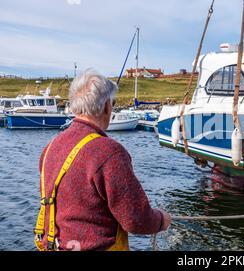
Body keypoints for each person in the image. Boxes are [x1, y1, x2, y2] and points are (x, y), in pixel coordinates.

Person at [34, 69, 171, 251]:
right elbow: (136, 220)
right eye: (112, 103)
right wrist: (161, 220)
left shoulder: (51, 147)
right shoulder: (108, 152)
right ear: (107, 106)